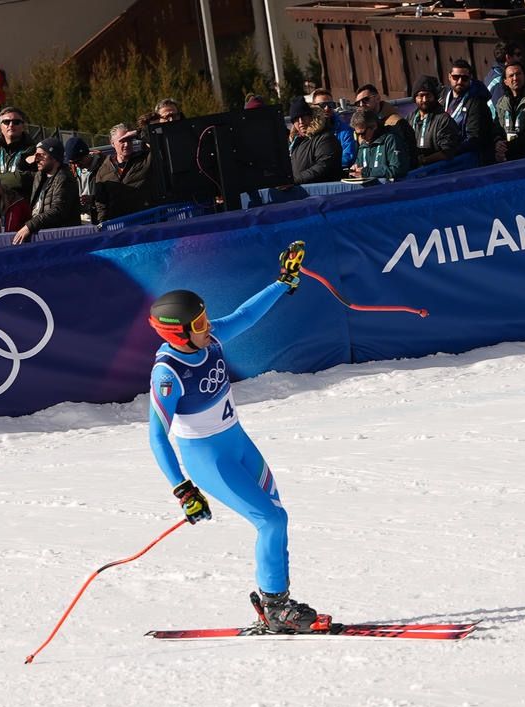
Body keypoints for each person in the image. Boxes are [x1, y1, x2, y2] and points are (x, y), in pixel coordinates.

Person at [146, 242, 320, 633]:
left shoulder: (210, 340)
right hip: (209, 458)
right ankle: (277, 608)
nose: (209, 326)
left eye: (205, 318)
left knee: (276, 517)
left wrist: (283, 282)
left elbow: (245, 315)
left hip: (238, 443)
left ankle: (275, 602)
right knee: (271, 521)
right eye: (199, 324)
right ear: (178, 334)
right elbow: (157, 437)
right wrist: (183, 490)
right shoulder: (168, 373)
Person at [12, 136, 79, 244]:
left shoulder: (64, 178)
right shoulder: (40, 176)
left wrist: (29, 226)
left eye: (41, 155)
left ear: (54, 157)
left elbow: (58, 211)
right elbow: (21, 165)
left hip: (59, 239)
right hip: (41, 235)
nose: (37, 159)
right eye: (36, 155)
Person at [94, 124, 159, 223]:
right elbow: (101, 204)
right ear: (112, 143)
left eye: (129, 140)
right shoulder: (103, 170)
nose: (127, 144)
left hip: (146, 222)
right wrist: (103, 224)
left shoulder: (144, 160)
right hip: (119, 225)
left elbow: (158, 143)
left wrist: (137, 133)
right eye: (122, 141)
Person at [353, 84, 417, 168]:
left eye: (365, 100)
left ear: (377, 98)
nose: (361, 104)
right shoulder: (359, 128)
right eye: (358, 103)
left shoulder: (396, 122)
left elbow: (410, 154)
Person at [438, 59, 492, 157]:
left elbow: (474, 138)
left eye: (464, 78)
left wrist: (449, 151)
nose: (460, 81)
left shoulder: (477, 101)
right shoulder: (443, 96)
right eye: (455, 77)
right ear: (449, 76)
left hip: (468, 155)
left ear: (470, 78)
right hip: (447, 149)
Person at [286, 98, 342, 184]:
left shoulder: (325, 138)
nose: (300, 121)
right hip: (301, 190)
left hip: (323, 191)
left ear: (311, 117)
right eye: (296, 118)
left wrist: (293, 181)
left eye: (303, 116)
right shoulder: (296, 142)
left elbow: (322, 167)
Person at [0, 106, 36, 197]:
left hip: (23, 202)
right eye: (6, 122)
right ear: (0, 126)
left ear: (23, 126)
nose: (11, 125)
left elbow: (25, 179)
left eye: (16, 122)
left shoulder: (33, 150)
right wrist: (12, 177)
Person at [408, 76, 462, 165]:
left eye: (428, 95)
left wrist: (423, 161)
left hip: (438, 169)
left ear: (434, 96)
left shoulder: (443, 120)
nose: (425, 100)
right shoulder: (410, 118)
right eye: (421, 96)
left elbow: (447, 152)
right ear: (415, 98)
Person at [347, 109, 408, 181]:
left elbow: (398, 169)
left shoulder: (391, 140)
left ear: (374, 127)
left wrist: (367, 172)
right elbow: (360, 169)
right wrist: (354, 171)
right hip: (370, 187)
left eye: (362, 133)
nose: (361, 137)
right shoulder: (363, 145)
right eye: (357, 134)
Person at [310, 88, 355, 169]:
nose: (327, 108)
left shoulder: (345, 130)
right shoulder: (307, 130)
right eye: (322, 105)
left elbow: (348, 157)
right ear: (313, 107)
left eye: (330, 104)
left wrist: (323, 165)